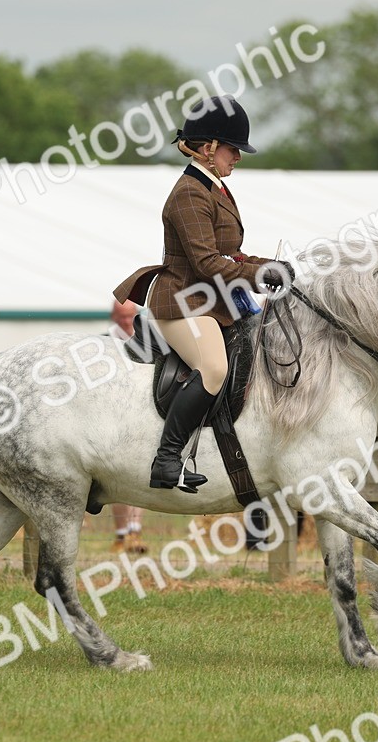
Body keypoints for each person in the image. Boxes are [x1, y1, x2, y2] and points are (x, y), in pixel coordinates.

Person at [113, 95, 291, 493]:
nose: (237, 158)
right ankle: (167, 458)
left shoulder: (215, 189)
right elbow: (208, 263)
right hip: (181, 302)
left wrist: (268, 265)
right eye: (232, 149)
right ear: (209, 148)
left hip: (208, 301)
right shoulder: (188, 194)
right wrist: (258, 276)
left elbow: (232, 253)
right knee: (213, 369)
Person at [105, 300, 148, 553]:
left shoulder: (147, 338)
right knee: (118, 477)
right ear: (113, 317)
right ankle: (122, 534)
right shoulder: (105, 343)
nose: (126, 321)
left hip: (141, 414)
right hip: (115, 416)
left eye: (129, 316)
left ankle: (135, 531)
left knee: (139, 474)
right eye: (121, 317)